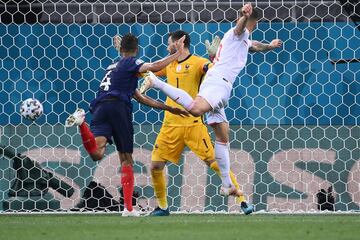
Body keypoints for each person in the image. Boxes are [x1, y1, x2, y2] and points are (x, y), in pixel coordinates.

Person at [140, 4, 282, 197]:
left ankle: (227, 185)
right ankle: (156, 83)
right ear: (253, 22)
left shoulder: (244, 40)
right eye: (255, 23)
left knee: (223, 138)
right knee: (196, 109)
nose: (255, 26)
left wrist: (270, 46)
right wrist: (243, 16)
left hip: (223, 87)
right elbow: (240, 28)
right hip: (217, 82)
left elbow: (255, 45)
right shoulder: (235, 33)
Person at [122, 30, 252, 216]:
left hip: (193, 124)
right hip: (170, 126)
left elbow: (214, 71)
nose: (167, 47)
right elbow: (144, 72)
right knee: (155, 166)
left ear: (178, 43)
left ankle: (242, 201)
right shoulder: (169, 64)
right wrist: (125, 57)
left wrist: (214, 57)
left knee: (215, 163)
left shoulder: (198, 63)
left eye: (169, 43)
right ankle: (163, 207)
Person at [65, 33, 188, 217]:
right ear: (136, 50)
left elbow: (141, 97)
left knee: (96, 154)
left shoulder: (114, 67)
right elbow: (153, 66)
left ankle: (82, 124)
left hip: (99, 107)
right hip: (118, 108)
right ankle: (129, 209)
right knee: (127, 160)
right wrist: (177, 53)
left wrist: (169, 108)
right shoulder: (130, 63)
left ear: (121, 49)